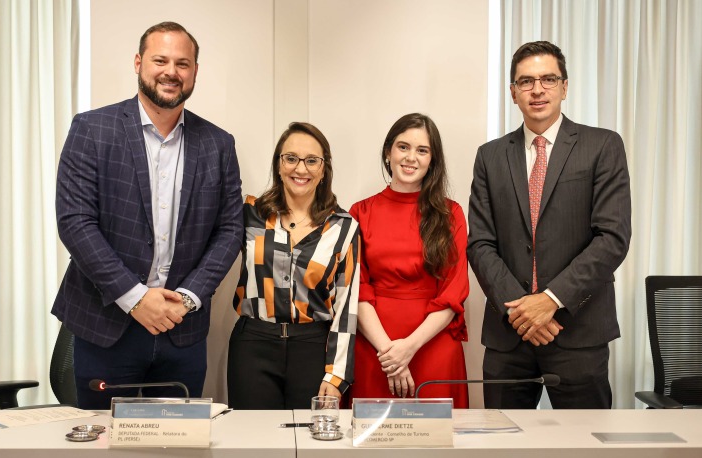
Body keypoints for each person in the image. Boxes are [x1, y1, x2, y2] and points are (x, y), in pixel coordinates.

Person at [53, 22, 243, 409]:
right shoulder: (92, 129)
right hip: (107, 325)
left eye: (182, 63)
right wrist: (136, 297)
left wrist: (188, 299)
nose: (171, 71)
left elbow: (229, 229)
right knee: (104, 446)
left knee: (177, 445)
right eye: (160, 60)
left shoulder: (219, 144)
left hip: (181, 329)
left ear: (194, 72)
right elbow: (75, 222)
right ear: (139, 62)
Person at [467, 41, 631, 409]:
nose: (537, 89)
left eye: (547, 79)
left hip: (578, 331)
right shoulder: (490, 156)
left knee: (585, 446)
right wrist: (522, 310)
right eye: (525, 81)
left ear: (565, 86)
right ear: (512, 92)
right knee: (501, 446)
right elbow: (480, 242)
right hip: (509, 334)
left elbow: (612, 237)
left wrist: (551, 301)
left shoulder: (602, 145)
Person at [228, 122, 360, 409]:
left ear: (324, 170)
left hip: (313, 348)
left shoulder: (343, 227)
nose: (301, 169)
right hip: (253, 345)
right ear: (278, 164)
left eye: (312, 161)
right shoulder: (250, 213)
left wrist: (337, 375)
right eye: (291, 158)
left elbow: (347, 308)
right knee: (252, 442)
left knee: (310, 444)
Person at [349, 113, 469, 407]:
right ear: (388, 152)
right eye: (403, 147)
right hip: (375, 347)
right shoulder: (359, 212)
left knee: (435, 444)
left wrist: (408, 348)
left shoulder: (450, 213)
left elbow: (454, 292)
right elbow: (357, 288)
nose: (411, 157)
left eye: (422, 150)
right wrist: (390, 354)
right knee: (372, 445)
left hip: (433, 345)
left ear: (432, 160)